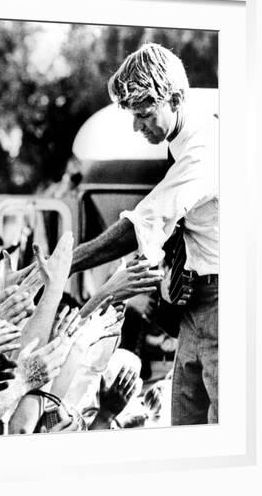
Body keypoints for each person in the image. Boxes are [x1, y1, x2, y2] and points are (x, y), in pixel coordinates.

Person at [70, 43, 218, 426]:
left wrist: (66, 265)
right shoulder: (181, 144)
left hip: (222, 305)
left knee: (222, 432)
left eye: (145, 115)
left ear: (176, 98)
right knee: (186, 425)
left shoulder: (204, 149)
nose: (138, 127)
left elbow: (143, 223)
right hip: (193, 308)